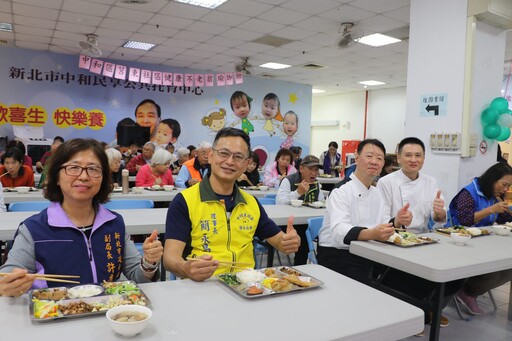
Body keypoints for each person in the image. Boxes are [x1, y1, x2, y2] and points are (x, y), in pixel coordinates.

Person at [317, 139, 456, 329]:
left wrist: (397, 222)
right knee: (375, 285)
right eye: (369, 156)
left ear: (383, 163)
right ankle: (395, 320)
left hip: (370, 251)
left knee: (410, 277)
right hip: (338, 253)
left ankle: (413, 315)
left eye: (379, 158)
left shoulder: (376, 193)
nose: (374, 161)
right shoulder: (341, 190)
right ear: (356, 158)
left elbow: (384, 224)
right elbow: (339, 231)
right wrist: (372, 233)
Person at [0, 139, 163, 296]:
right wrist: (10, 287)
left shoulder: (114, 223)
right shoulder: (34, 229)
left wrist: (149, 262)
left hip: (109, 316)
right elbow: (8, 278)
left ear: (103, 178)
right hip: (54, 317)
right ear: (57, 176)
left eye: (93, 169)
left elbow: (138, 278)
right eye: (73, 168)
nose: (84, 176)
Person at [163, 127, 300, 281]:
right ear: (210, 155)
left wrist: (289, 242)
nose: (229, 161)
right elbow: (170, 258)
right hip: (201, 286)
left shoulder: (250, 203)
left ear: (246, 164)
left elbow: (280, 242)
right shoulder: (184, 201)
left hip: (246, 287)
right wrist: (185, 268)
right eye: (224, 153)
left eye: (238, 157)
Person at [449, 162, 512, 315]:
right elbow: (464, 220)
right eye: (504, 184)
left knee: (508, 269)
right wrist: (490, 210)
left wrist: (506, 211)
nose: (505, 190)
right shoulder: (469, 193)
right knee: (493, 271)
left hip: (482, 243)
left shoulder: (495, 196)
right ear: (492, 179)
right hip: (459, 242)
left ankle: (471, 290)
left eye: (508, 186)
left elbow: (503, 217)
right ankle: (467, 292)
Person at [377, 137, 447, 234]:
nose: (413, 160)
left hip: (423, 237)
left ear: (423, 159)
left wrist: (439, 212)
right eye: (408, 155)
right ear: (398, 158)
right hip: (393, 237)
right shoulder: (385, 182)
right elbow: (381, 220)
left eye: (418, 155)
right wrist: (398, 220)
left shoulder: (430, 182)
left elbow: (440, 218)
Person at [276, 154, 324, 265]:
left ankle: (321, 264)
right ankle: (300, 267)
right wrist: (298, 192)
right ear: (301, 168)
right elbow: (279, 202)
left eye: (316, 170)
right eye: (310, 169)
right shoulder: (289, 180)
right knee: (302, 235)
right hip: (289, 223)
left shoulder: (316, 184)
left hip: (308, 222)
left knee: (326, 233)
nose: (313, 173)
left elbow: (321, 202)